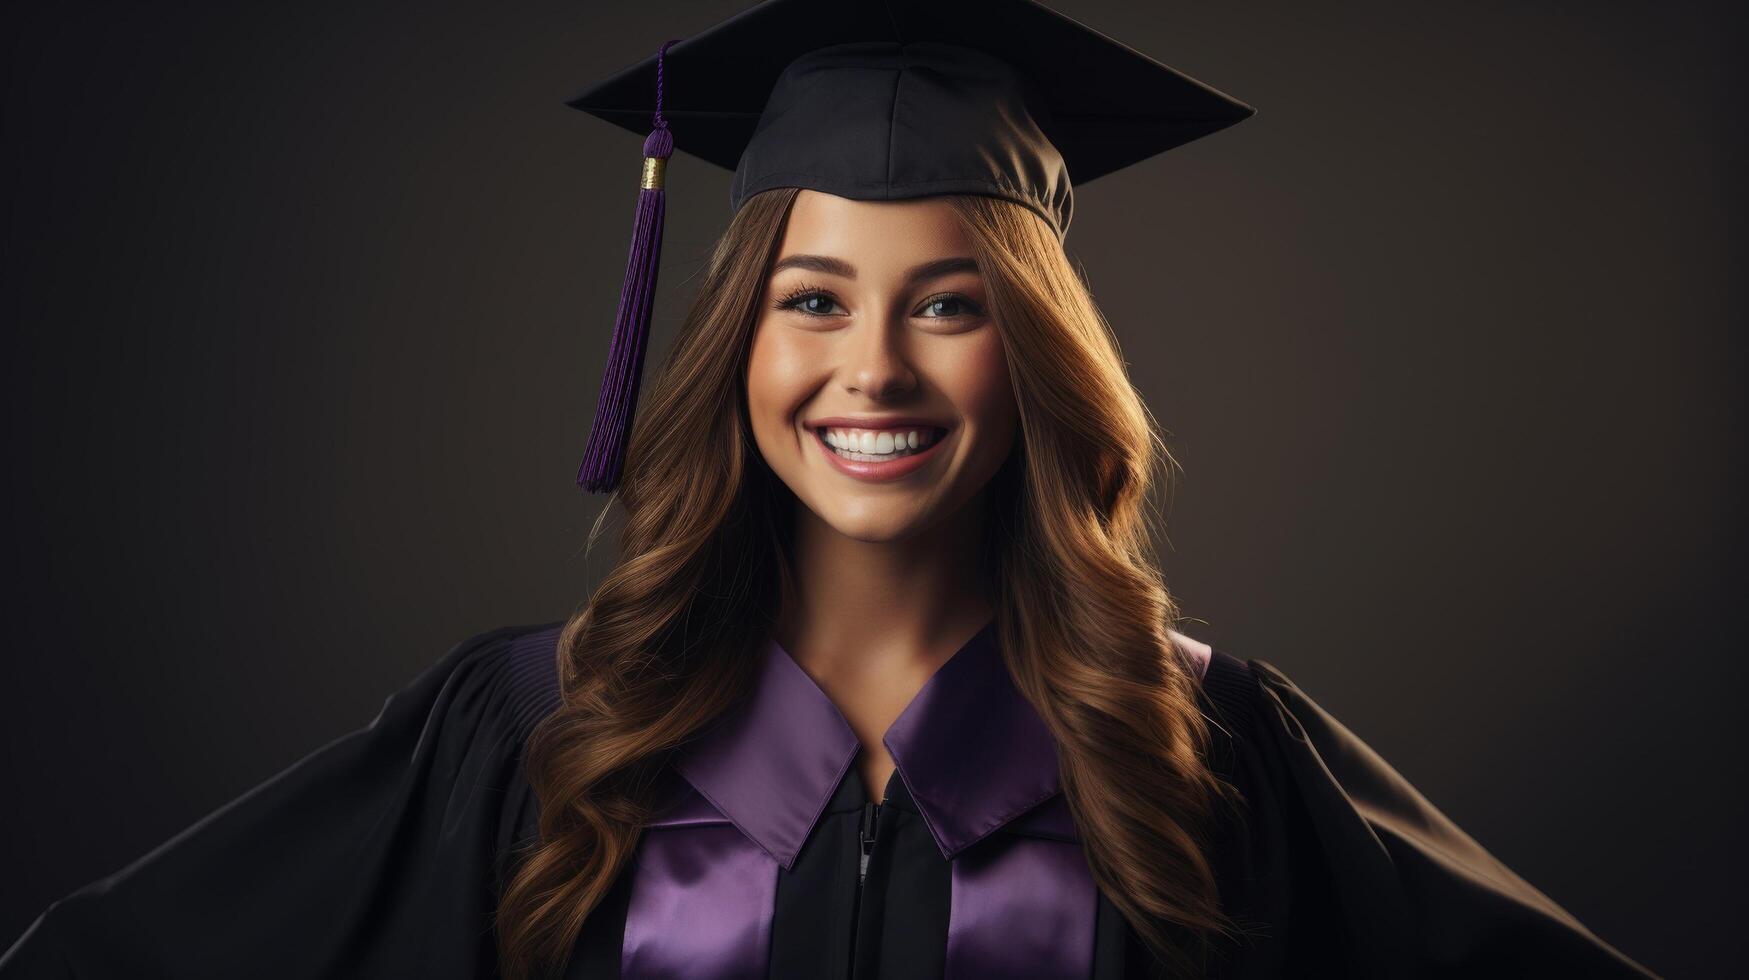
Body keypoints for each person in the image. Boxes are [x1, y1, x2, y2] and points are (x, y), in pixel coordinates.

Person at [0, 0, 1660, 977]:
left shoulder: (1202, 748)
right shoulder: (528, 736)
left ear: (1035, 353)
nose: (873, 367)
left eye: (949, 303)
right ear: (736, 343)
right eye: (811, 299)